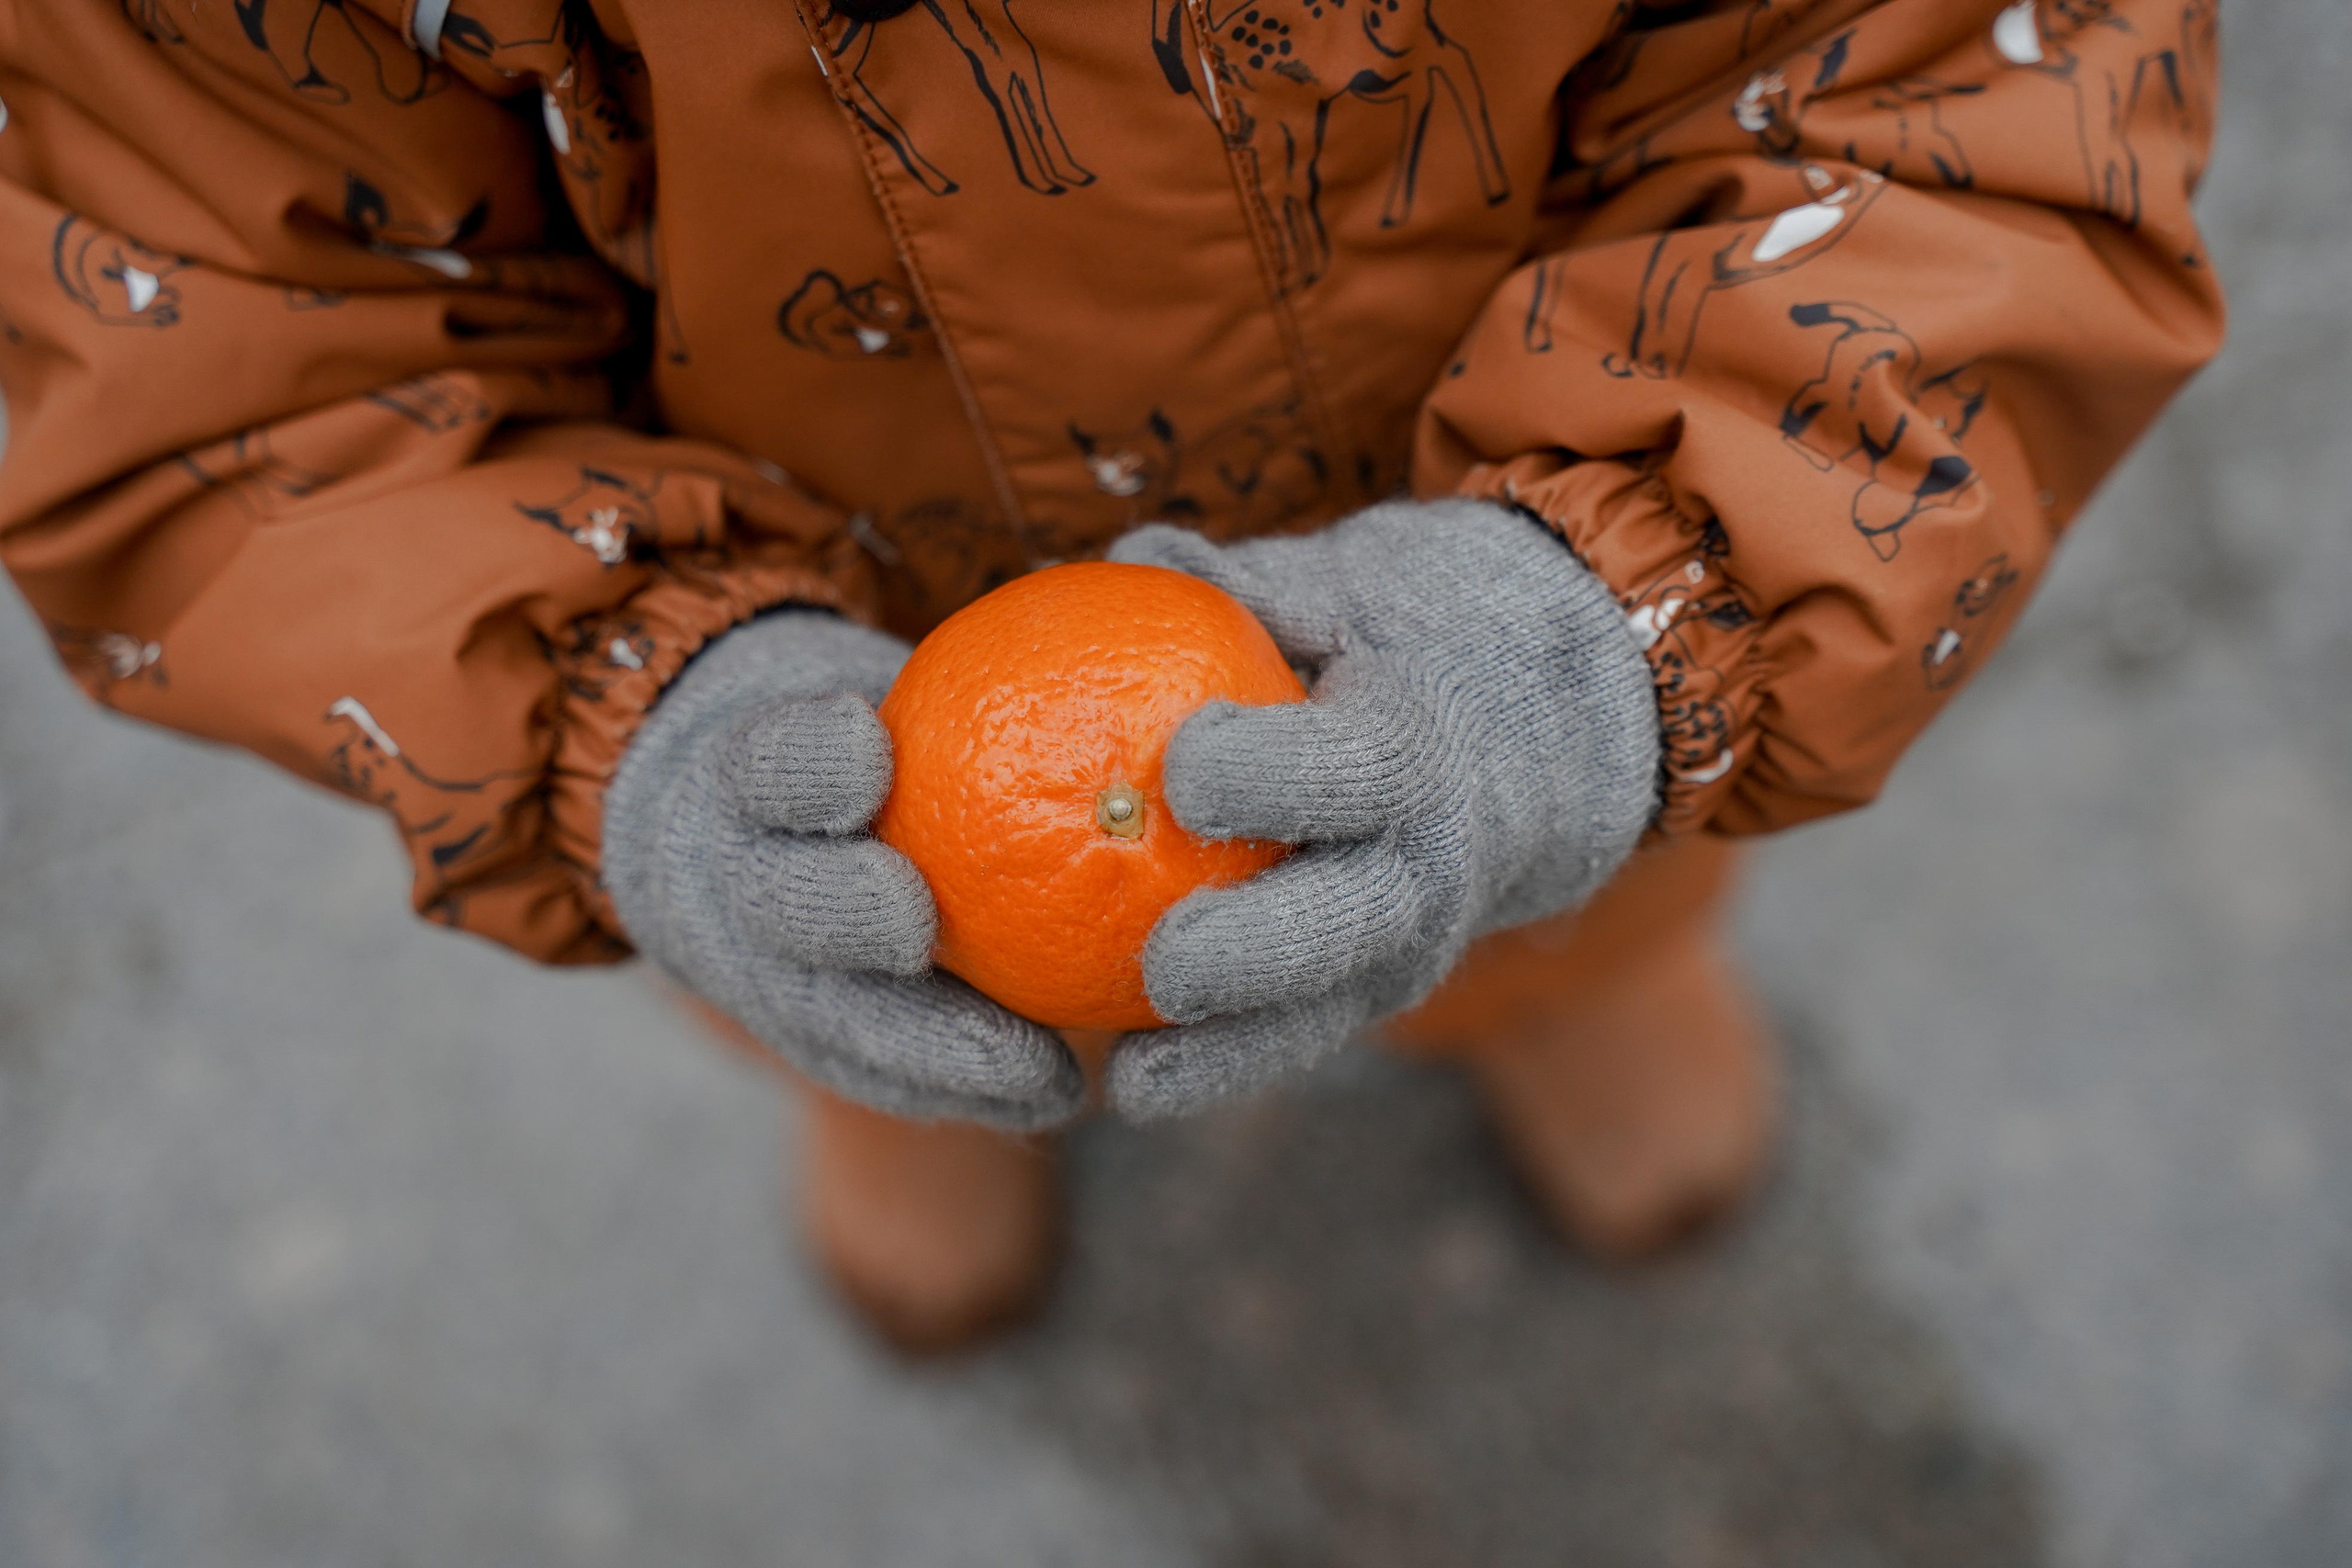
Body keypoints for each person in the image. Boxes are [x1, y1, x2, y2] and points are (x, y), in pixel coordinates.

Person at [0, 0, 2221, 1351]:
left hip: (1502, 513)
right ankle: (902, 1088)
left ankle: (1557, 989)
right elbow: (224, 337)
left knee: (1518, 865)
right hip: (788, 607)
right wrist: (611, 697)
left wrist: (1624, 609)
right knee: (841, 923)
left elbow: (1947, 91)